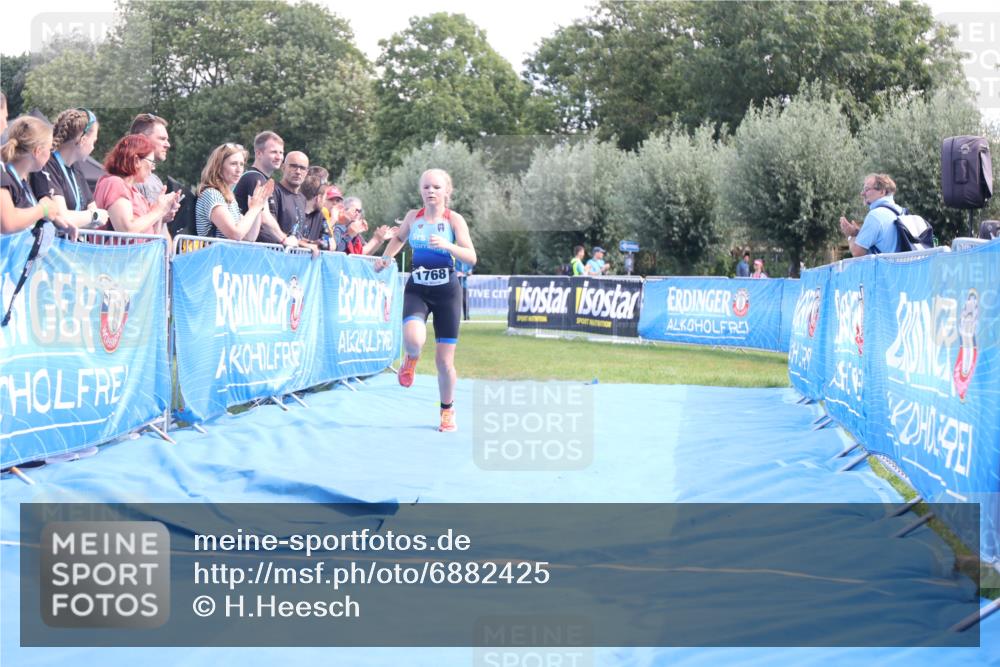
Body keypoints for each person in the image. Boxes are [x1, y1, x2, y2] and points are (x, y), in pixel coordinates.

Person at [376, 168, 477, 432]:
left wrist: (448, 246)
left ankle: (447, 410)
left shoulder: (454, 220)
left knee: (444, 363)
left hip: (447, 293)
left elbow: (471, 256)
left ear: (447, 191)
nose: (431, 191)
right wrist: (386, 259)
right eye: (426, 187)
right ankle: (411, 359)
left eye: (436, 187)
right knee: (414, 338)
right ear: (420, 190)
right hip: (418, 289)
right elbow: (398, 238)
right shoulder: (413, 217)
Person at [30, 108, 108, 231]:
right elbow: (63, 217)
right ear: (83, 140)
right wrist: (93, 216)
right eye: (94, 141)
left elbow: (95, 213)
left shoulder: (75, 168)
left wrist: (90, 217)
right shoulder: (47, 164)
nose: (93, 147)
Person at [93, 134, 180, 239]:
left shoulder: (135, 192)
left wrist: (162, 212)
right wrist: (159, 210)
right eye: (151, 162)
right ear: (136, 161)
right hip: (116, 255)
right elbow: (127, 231)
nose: (153, 168)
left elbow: (151, 235)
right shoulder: (114, 183)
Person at [195, 143, 274, 240]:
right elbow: (235, 234)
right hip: (214, 255)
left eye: (241, 164)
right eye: (233, 164)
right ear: (218, 167)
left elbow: (250, 238)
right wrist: (253, 209)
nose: (239, 169)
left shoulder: (230, 197)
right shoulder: (211, 194)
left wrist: (257, 207)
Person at [0, 116, 65, 234]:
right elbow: (8, 223)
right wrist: (43, 210)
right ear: (37, 151)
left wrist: (56, 220)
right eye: (49, 149)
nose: (50, 155)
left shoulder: (23, 181)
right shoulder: (3, 175)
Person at [234, 130, 297, 248]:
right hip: (246, 251)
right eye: (273, 152)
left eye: (281, 152)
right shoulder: (255, 178)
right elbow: (264, 217)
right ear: (259, 153)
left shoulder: (258, 177)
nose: (279, 157)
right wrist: (284, 239)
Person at [839, 173, 903, 256]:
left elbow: (857, 252)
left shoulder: (875, 215)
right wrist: (857, 233)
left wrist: (850, 235)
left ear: (882, 192)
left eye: (867, 189)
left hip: (886, 268)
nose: (862, 193)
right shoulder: (900, 211)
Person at [271, 151, 309, 243]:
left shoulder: (302, 199)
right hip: (272, 253)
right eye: (293, 166)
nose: (298, 172)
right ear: (283, 167)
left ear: (307, 172)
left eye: (302, 168)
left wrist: (312, 243)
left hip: (294, 254)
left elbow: (297, 235)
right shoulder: (273, 191)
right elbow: (268, 229)